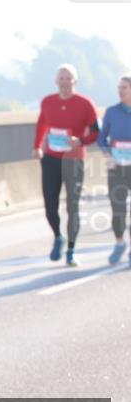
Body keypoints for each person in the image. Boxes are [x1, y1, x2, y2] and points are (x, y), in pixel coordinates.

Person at [32, 64, 100, 267]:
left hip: (74, 159)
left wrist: (80, 141)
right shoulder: (48, 102)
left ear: (75, 82)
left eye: (68, 78)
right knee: (50, 206)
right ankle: (58, 237)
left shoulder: (85, 104)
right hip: (51, 159)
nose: (65, 82)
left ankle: (71, 250)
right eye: (61, 78)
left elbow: (96, 132)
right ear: (56, 81)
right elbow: (42, 124)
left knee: (72, 206)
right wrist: (37, 147)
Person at [97, 72, 131, 267]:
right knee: (118, 209)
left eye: (124, 87)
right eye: (118, 88)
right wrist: (108, 156)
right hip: (116, 167)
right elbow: (102, 138)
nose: (120, 91)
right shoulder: (111, 112)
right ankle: (119, 243)